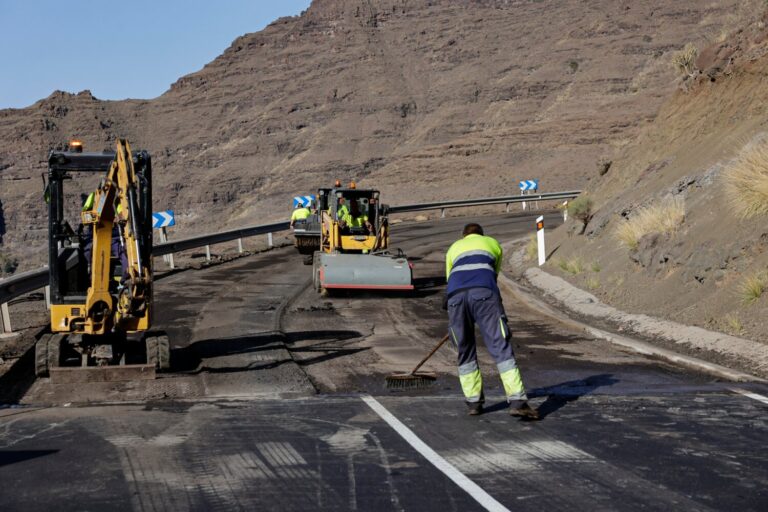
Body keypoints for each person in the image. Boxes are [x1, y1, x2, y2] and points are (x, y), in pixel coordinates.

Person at [445, 223, 538, 419]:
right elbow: (493, 276)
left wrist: (459, 311)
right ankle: (517, 401)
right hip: (484, 295)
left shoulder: (453, 248)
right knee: (499, 345)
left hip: (455, 300)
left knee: (465, 350)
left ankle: (473, 403)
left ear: (463, 236)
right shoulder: (492, 243)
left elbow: (450, 280)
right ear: (481, 234)